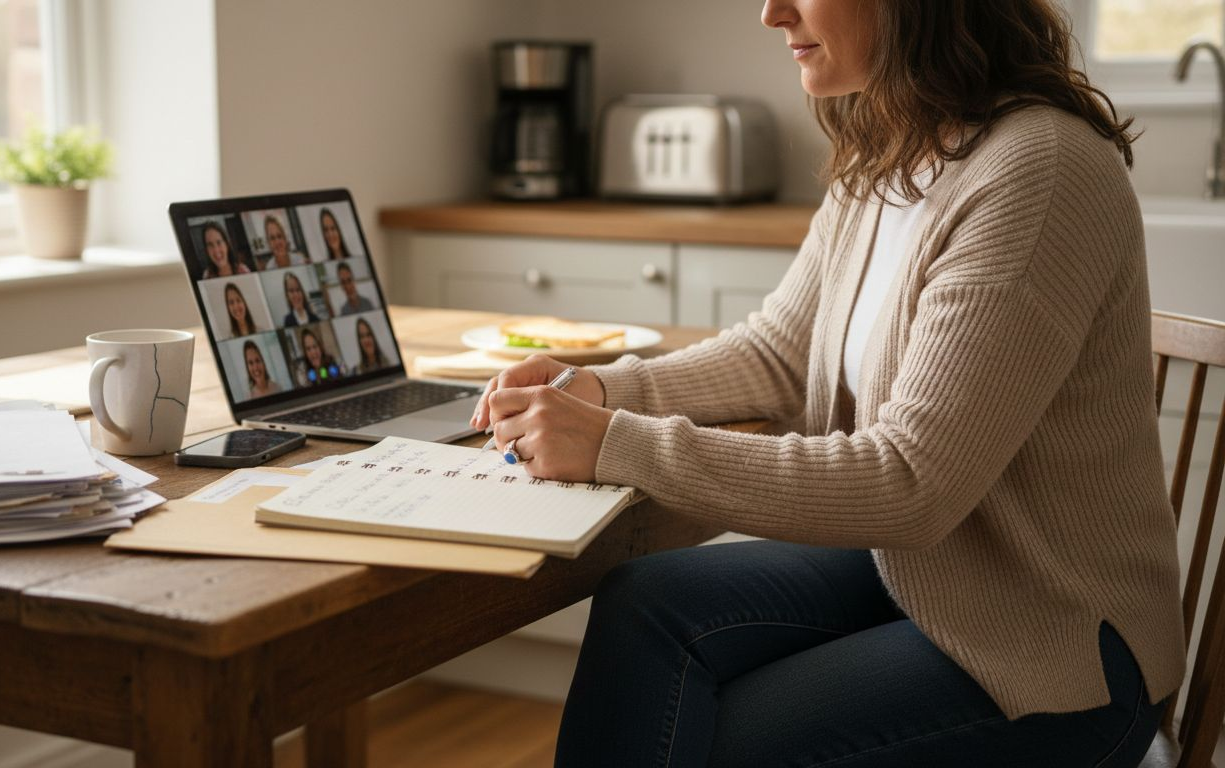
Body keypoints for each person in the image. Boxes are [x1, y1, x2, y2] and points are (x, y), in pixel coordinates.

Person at [472, 1, 1185, 765]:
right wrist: (605, 392)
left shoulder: (1039, 171)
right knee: (642, 605)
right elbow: (780, 350)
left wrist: (619, 445)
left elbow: (912, 483)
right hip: (936, 573)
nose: (771, 13)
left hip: (1060, 642)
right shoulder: (891, 143)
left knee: (716, 738)